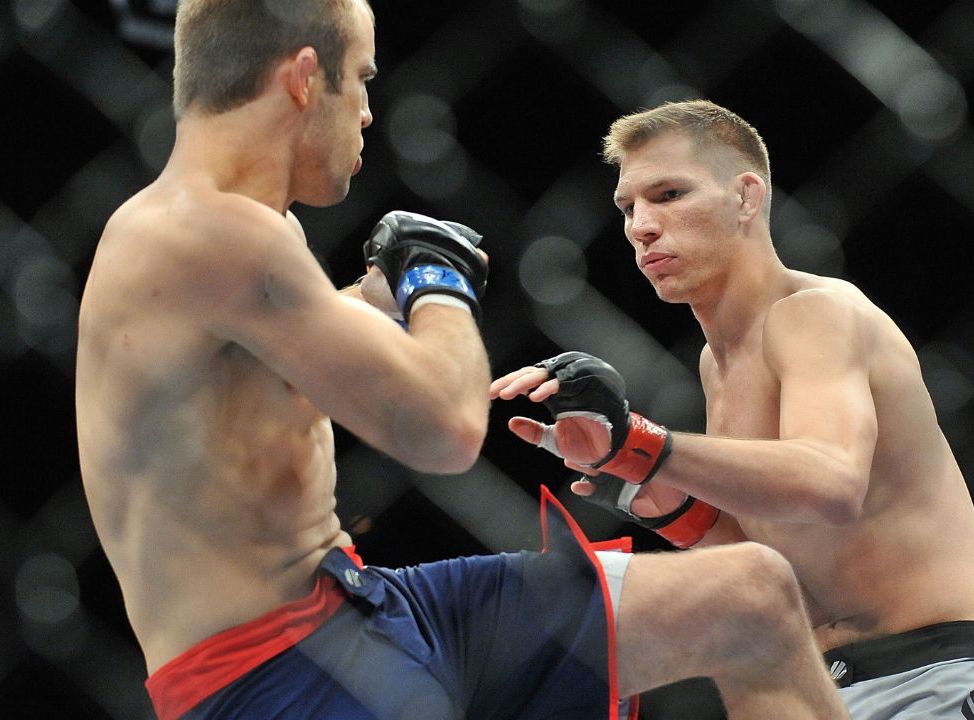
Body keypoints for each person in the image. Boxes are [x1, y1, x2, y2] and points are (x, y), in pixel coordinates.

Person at [76, 3, 849, 718]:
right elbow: (444, 431)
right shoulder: (206, 234)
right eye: (362, 81)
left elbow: (267, 373)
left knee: (753, 598)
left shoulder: (227, 232)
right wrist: (436, 284)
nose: (368, 112)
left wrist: (375, 296)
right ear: (305, 79)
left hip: (364, 607)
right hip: (273, 680)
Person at [492, 100, 974, 720]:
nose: (642, 225)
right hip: (819, 689)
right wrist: (662, 498)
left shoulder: (816, 314)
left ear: (746, 197)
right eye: (628, 207)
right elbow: (775, 555)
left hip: (932, 676)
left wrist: (647, 444)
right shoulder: (715, 363)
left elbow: (831, 484)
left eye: (669, 195)